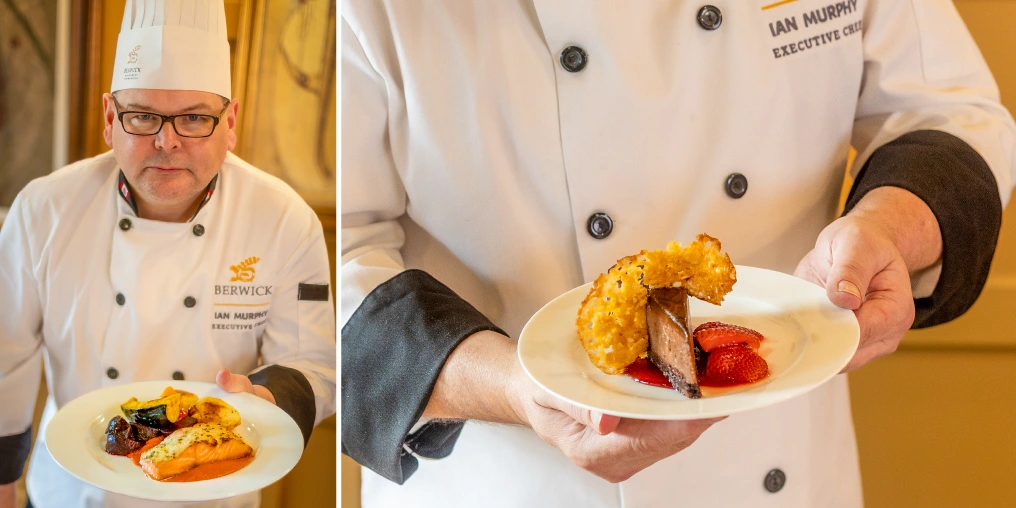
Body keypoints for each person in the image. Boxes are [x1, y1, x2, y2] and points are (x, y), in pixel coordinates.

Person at [340, 0, 1015, 506]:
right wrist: (515, 386)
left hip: (780, 467)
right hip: (514, 479)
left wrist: (889, 228)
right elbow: (340, 256)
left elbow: (950, 115)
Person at [0, 1, 336, 507]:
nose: (167, 142)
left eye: (195, 118)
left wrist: (263, 399)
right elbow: (4, 358)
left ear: (230, 122)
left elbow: (314, 365)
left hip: (214, 493)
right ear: (110, 118)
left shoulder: (284, 222)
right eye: (142, 116)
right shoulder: (42, 212)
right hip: (72, 493)